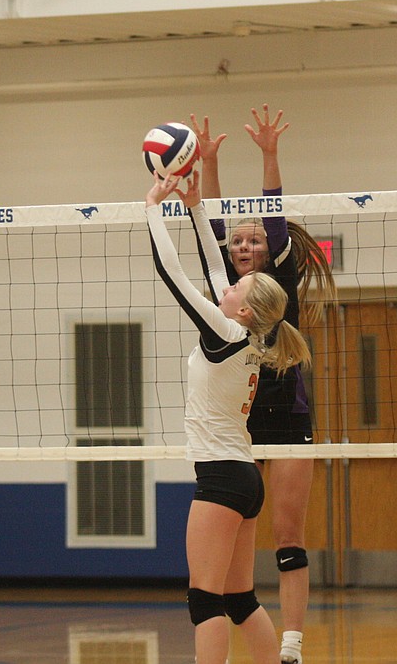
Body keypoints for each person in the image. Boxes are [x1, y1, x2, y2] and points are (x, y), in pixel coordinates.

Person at [145, 169, 309, 664]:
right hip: (242, 477)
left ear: (242, 310)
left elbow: (173, 274)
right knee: (239, 599)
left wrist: (154, 207)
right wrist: (195, 206)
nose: (233, 284)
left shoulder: (225, 332)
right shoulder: (249, 334)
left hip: (219, 477)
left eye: (242, 286)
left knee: (205, 599)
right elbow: (217, 272)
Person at [193, 105, 336, 664]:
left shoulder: (277, 280)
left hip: (291, 419)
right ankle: (244, 624)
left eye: (254, 242)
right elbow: (209, 231)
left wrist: (269, 155)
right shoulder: (228, 291)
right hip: (242, 424)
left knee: (288, 536)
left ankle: (292, 646)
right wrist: (208, 163)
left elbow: (272, 217)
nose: (245, 247)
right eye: (239, 244)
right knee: (235, 548)